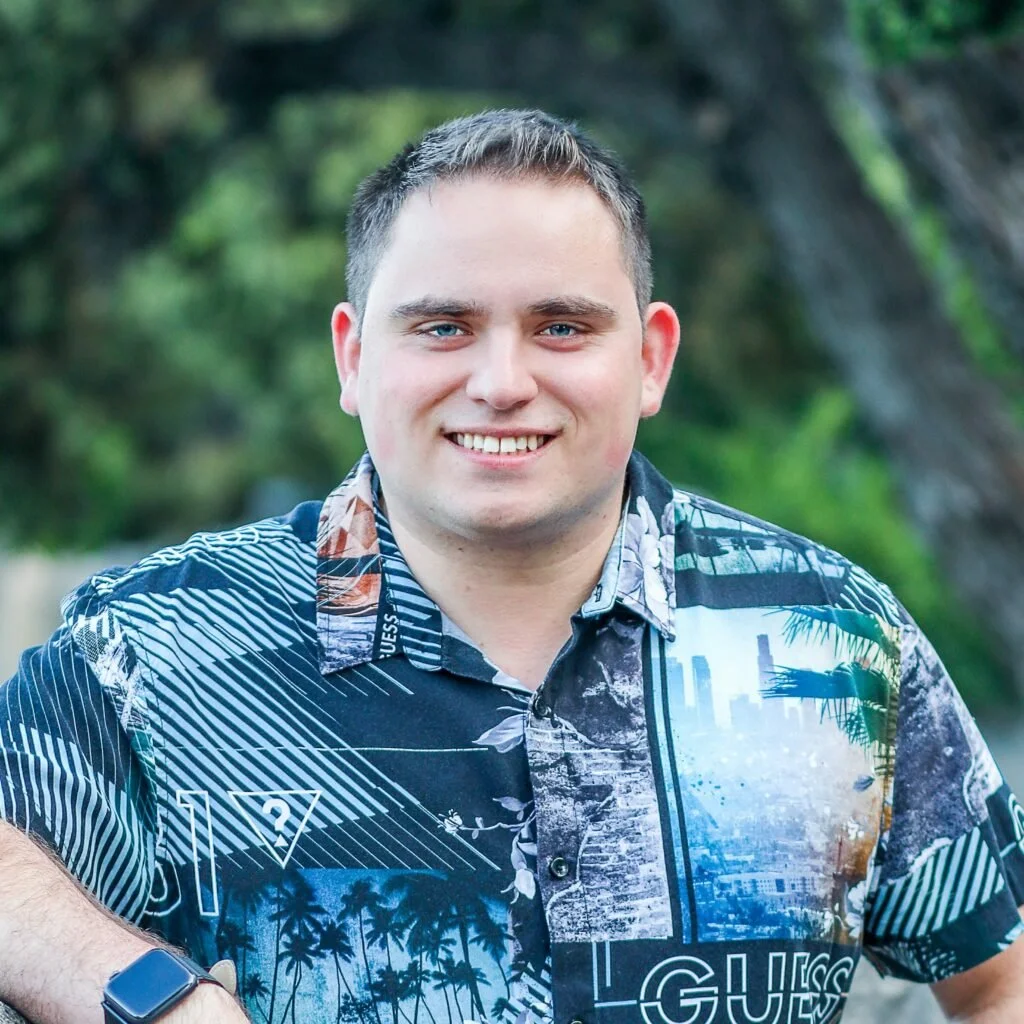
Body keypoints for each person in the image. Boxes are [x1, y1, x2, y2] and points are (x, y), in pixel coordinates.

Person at [1, 109, 1022, 1024]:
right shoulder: (154, 648)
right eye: (443, 326)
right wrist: (147, 995)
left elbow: (999, 974)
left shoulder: (835, 638)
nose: (501, 382)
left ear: (651, 359)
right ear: (353, 358)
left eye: (561, 327)